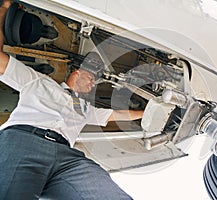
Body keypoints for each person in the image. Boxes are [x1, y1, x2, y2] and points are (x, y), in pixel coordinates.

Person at [0, 1, 143, 199]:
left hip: (68, 158)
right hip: (24, 141)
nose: (93, 84)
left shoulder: (84, 108)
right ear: (76, 73)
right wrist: (5, 10)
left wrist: (151, 111)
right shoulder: (38, 82)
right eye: (91, 78)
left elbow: (116, 114)